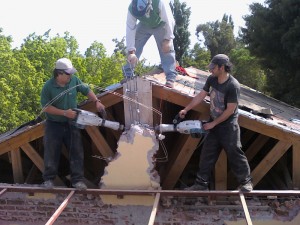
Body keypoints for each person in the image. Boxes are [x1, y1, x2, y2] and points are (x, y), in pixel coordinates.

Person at [179, 54, 253, 192]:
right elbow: (201, 95)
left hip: (228, 126)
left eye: (213, 67)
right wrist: (186, 109)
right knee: (207, 153)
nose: (211, 70)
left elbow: (230, 110)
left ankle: (246, 183)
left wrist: (213, 124)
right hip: (214, 123)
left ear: (222, 67)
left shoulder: (233, 86)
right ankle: (200, 185)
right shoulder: (212, 79)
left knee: (234, 152)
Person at [40, 58, 105, 190]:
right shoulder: (48, 87)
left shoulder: (74, 80)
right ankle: (48, 180)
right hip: (54, 124)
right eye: (68, 73)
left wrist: (97, 101)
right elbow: (45, 107)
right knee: (51, 151)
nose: (70, 76)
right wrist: (64, 113)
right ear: (59, 73)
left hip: (72, 123)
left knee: (76, 151)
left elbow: (86, 90)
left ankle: (77, 181)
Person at [123, 0, 177, 88]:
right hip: (144, 25)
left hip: (160, 24)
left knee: (167, 49)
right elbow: (130, 28)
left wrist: (168, 39)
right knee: (133, 47)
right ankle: (128, 75)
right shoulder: (131, 9)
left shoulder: (159, 2)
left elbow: (169, 20)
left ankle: (170, 78)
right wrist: (131, 51)